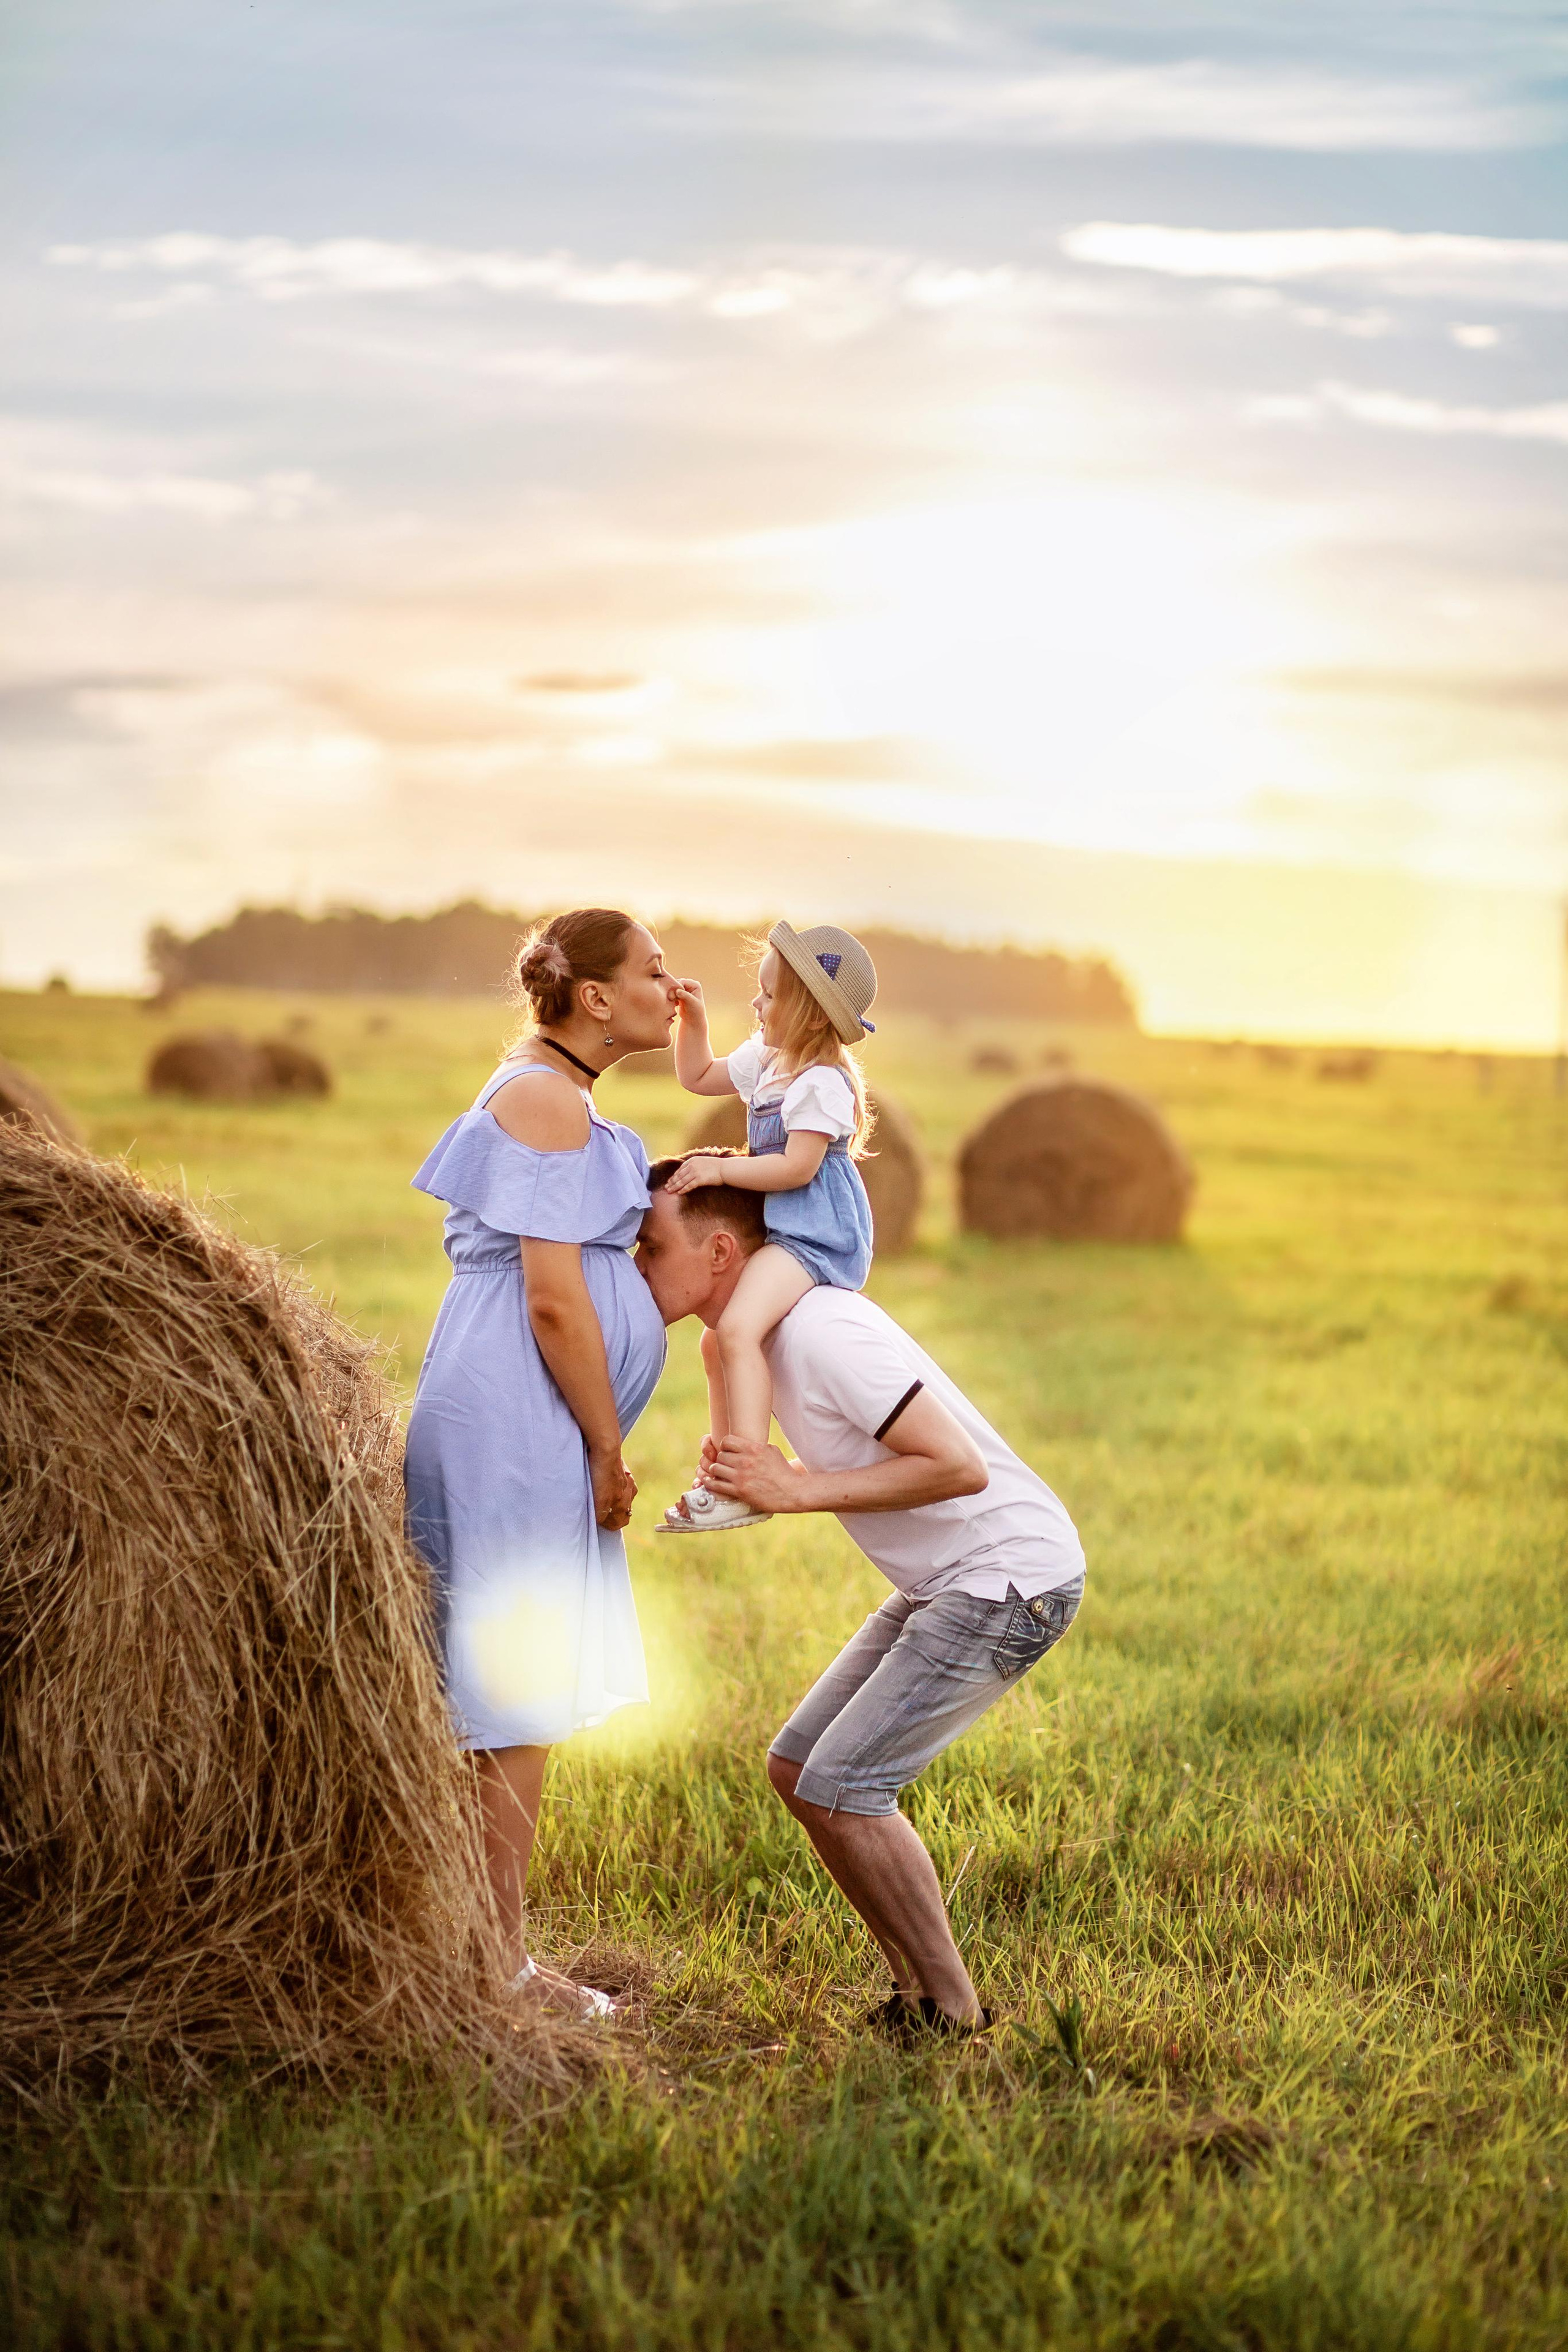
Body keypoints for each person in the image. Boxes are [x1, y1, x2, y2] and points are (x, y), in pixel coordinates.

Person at [635, 1159, 1086, 2037]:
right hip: (952, 1581)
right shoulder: (758, 1341)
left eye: (649, 1248)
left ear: (721, 1251)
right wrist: (756, 1481)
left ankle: (953, 2008)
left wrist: (792, 1490)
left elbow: (958, 1466)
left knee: (845, 1785)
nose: (635, 1265)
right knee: (799, 1772)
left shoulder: (822, 1332)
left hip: (1010, 1581)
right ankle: (916, 1993)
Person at [404, 910, 679, 2018]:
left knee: (514, 1697)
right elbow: (555, 1298)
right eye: (656, 970)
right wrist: (609, 1450)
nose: (677, 984)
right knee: (513, 1697)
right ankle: (495, 1971)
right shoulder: (544, 1098)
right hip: (516, 1415)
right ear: (597, 998)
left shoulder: (560, 1090)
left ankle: (484, 1952)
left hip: (524, 1414)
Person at [660, 921, 878, 1534]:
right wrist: (692, 1022)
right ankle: (722, 1471)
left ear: (807, 1014)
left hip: (814, 1238)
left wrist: (719, 1171)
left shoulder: (821, 1084)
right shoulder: (771, 1062)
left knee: (735, 1330)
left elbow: (795, 1167)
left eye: (768, 995)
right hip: (784, 1233)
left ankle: (748, 1479)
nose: (755, 1004)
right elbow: (698, 1076)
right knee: (713, 1344)